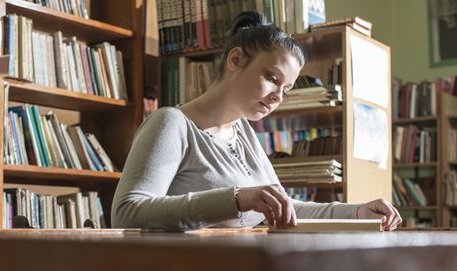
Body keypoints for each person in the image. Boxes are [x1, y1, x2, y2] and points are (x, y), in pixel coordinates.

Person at [111, 11, 402, 232]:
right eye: (272, 79)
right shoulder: (171, 123)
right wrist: (235, 199)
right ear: (235, 59)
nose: (278, 96)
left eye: (286, 90)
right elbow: (127, 212)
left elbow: (286, 208)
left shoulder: (244, 133)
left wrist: (357, 212)